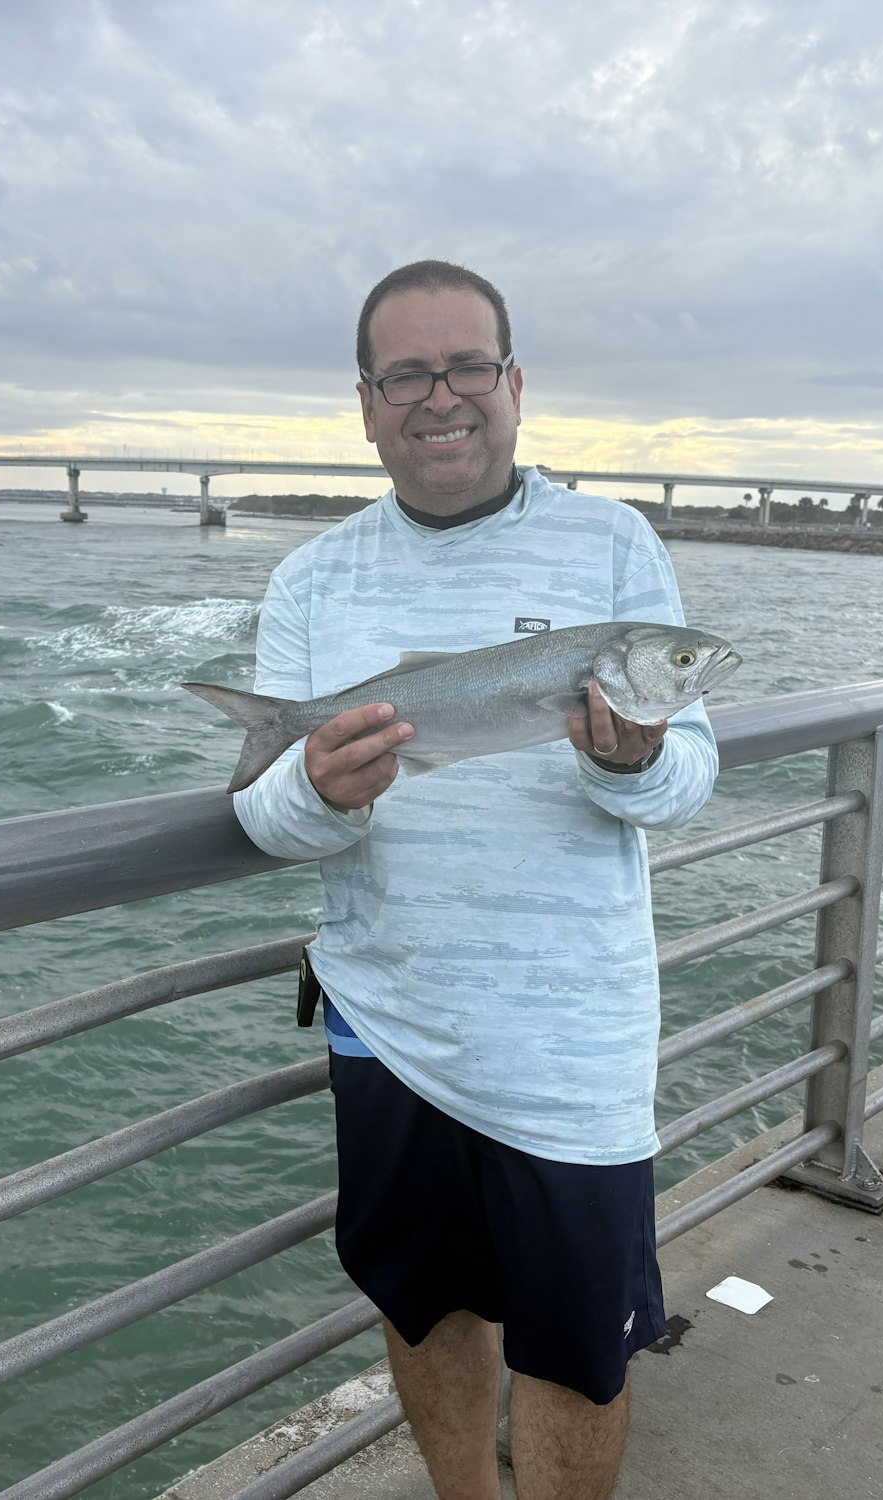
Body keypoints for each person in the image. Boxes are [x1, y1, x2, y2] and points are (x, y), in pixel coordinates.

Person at [230, 260, 721, 1499]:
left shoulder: (613, 546)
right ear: (365, 401)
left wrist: (634, 760)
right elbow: (271, 826)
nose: (436, 397)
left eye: (463, 368)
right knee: (425, 1307)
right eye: (405, 373)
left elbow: (686, 784)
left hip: (572, 1043)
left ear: (511, 383)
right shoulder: (310, 582)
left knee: (580, 1348)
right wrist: (315, 789)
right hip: (387, 1022)